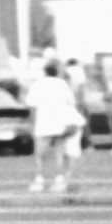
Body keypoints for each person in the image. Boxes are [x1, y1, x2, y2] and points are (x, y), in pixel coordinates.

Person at [24, 56, 81, 192]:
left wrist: (32, 124)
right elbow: (71, 104)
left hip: (43, 124)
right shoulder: (63, 85)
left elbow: (32, 106)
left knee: (40, 155)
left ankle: (40, 180)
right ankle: (59, 180)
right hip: (60, 124)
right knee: (58, 154)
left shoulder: (37, 85)